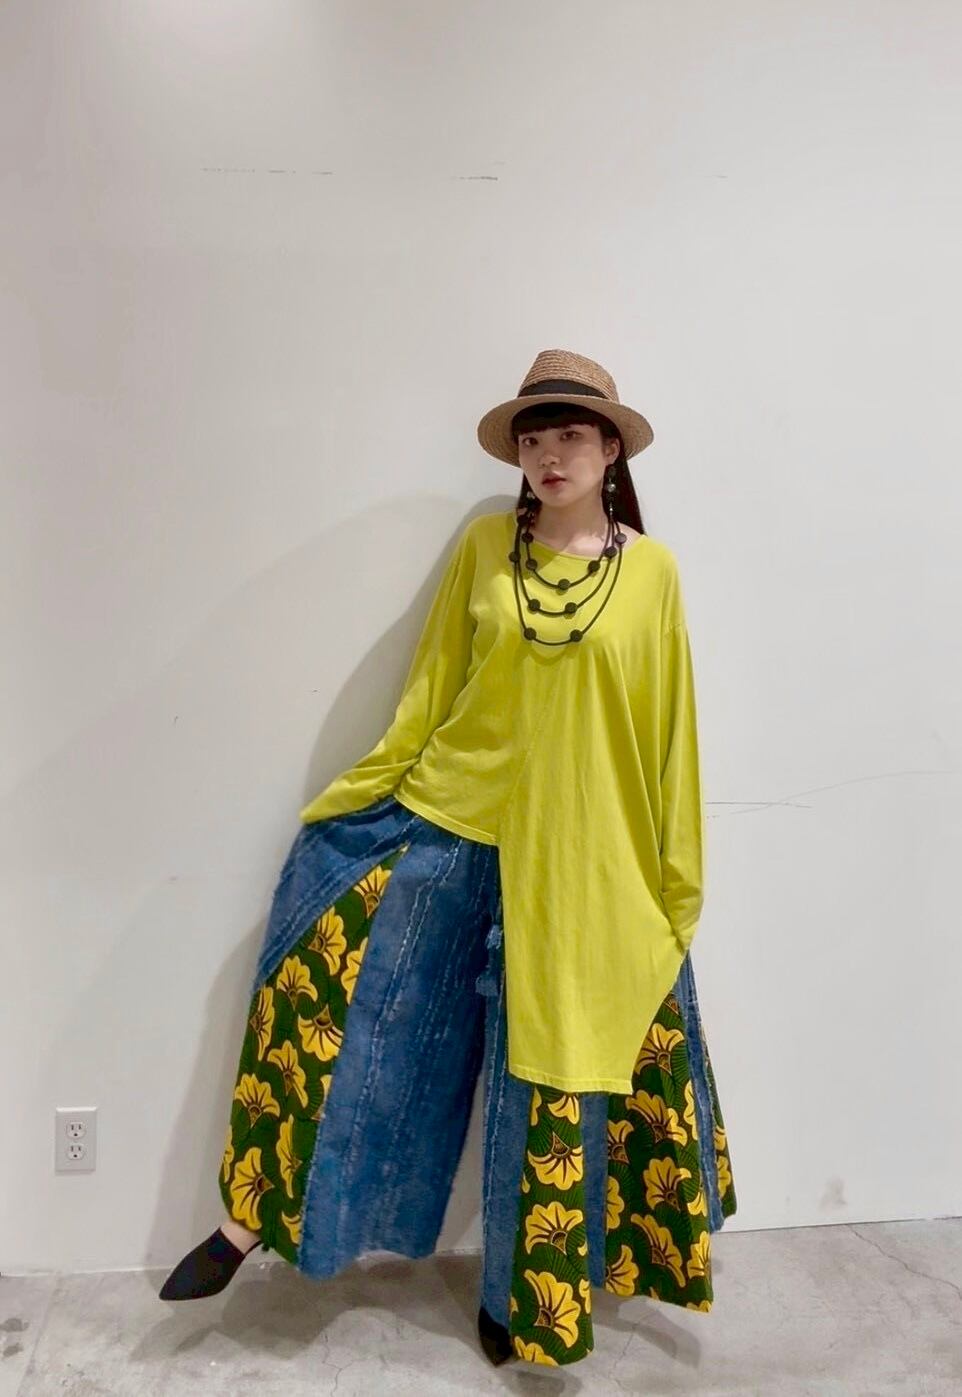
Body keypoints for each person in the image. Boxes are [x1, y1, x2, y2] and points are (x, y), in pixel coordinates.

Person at [159, 348, 737, 1370]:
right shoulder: (484, 548)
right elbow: (430, 693)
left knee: (546, 1079)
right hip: (452, 820)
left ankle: (524, 1293)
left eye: (569, 433)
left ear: (609, 448)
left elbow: (669, 739)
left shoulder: (652, 573)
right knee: (354, 1006)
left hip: (582, 857)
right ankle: (253, 1216)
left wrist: (671, 891)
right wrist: (356, 802)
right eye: (532, 436)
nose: (547, 453)